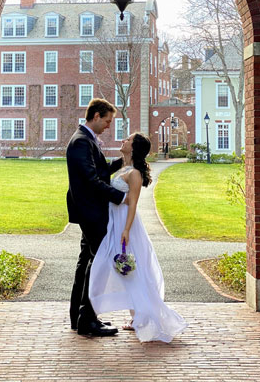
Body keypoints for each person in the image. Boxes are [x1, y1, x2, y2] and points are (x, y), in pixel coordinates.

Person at [89, 132, 188, 343]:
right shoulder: (123, 168)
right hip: (114, 221)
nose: (123, 141)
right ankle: (130, 315)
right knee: (122, 268)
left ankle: (138, 317)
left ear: (133, 148)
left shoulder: (134, 173)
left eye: (128, 140)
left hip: (126, 223)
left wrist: (126, 229)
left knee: (129, 268)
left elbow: (133, 203)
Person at [66, 98, 126, 337]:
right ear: (97, 116)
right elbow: (92, 181)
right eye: (108, 121)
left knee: (85, 262)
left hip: (87, 211)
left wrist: (124, 161)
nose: (109, 126)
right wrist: (121, 198)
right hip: (90, 211)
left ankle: (77, 316)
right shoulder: (81, 141)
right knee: (99, 262)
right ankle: (88, 319)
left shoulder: (85, 139)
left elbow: (99, 171)